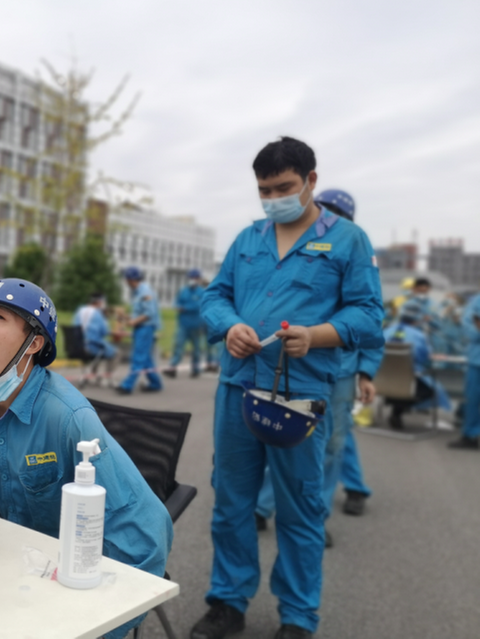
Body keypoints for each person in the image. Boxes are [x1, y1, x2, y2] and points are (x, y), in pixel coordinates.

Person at [193, 137, 383, 639]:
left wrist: (317, 335)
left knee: (300, 508)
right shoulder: (248, 238)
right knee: (231, 502)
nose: (274, 198)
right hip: (238, 387)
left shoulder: (348, 240)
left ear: (310, 181)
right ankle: (227, 602)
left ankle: (298, 616)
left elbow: (368, 314)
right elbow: (215, 297)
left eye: (284, 187)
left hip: (302, 391)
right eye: (264, 190)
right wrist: (229, 325)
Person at [0, 278, 173, 639]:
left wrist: (98, 625)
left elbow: (145, 534)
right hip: (2, 567)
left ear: (33, 343)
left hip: (62, 580)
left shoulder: (70, 417)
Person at [255, 189, 385, 541]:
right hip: (295, 369)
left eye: (336, 213)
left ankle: (316, 515)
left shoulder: (355, 256)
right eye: (323, 210)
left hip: (341, 372)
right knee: (282, 436)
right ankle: (263, 507)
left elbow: (370, 324)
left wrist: (366, 373)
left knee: (331, 444)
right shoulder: (296, 256)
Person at [383, 300, 451, 429]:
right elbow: (424, 357)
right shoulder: (419, 336)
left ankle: (395, 407)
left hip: (383, 379)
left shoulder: (386, 331)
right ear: (418, 318)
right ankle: (400, 408)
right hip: (408, 378)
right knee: (432, 390)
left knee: (401, 383)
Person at [115, 267, 163, 394]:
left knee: (138, 357)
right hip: (140, 328)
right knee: (145, 358)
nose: (125, 281)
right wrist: (125, 317)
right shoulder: (136, 292)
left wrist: (133, 322)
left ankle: (127, 386)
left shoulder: (145, 291)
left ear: (131, 279)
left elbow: (149, 313)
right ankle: (155, 383)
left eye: (126, 279)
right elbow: (139, 312)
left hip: (145, 328)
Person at [449, 292, 480, 449]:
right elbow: (470, 330)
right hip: (476, 361)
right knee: (473, 400)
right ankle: (471, 435)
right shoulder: (476, 302)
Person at [164, 269, 206, 378]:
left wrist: (185, 308)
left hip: (196, 325)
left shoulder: (202, 292)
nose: (192, 280)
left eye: (195, 278)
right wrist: (179, 307)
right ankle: (172, 368)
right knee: (178, 346)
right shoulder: (183, 291)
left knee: (196, 349)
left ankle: (196, 369)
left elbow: (198, 306)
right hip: (183, 324)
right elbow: (177, 303)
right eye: (191, 278)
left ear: (199, 279)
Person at [74, 292, 119, 386]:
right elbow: (104, 332)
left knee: (101, 348)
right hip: (91, 347)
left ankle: (93, 374)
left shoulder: (80, 311)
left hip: (77, 346)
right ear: (100, 302)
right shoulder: (98, 314)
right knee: (115, 352)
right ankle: (108, 377)